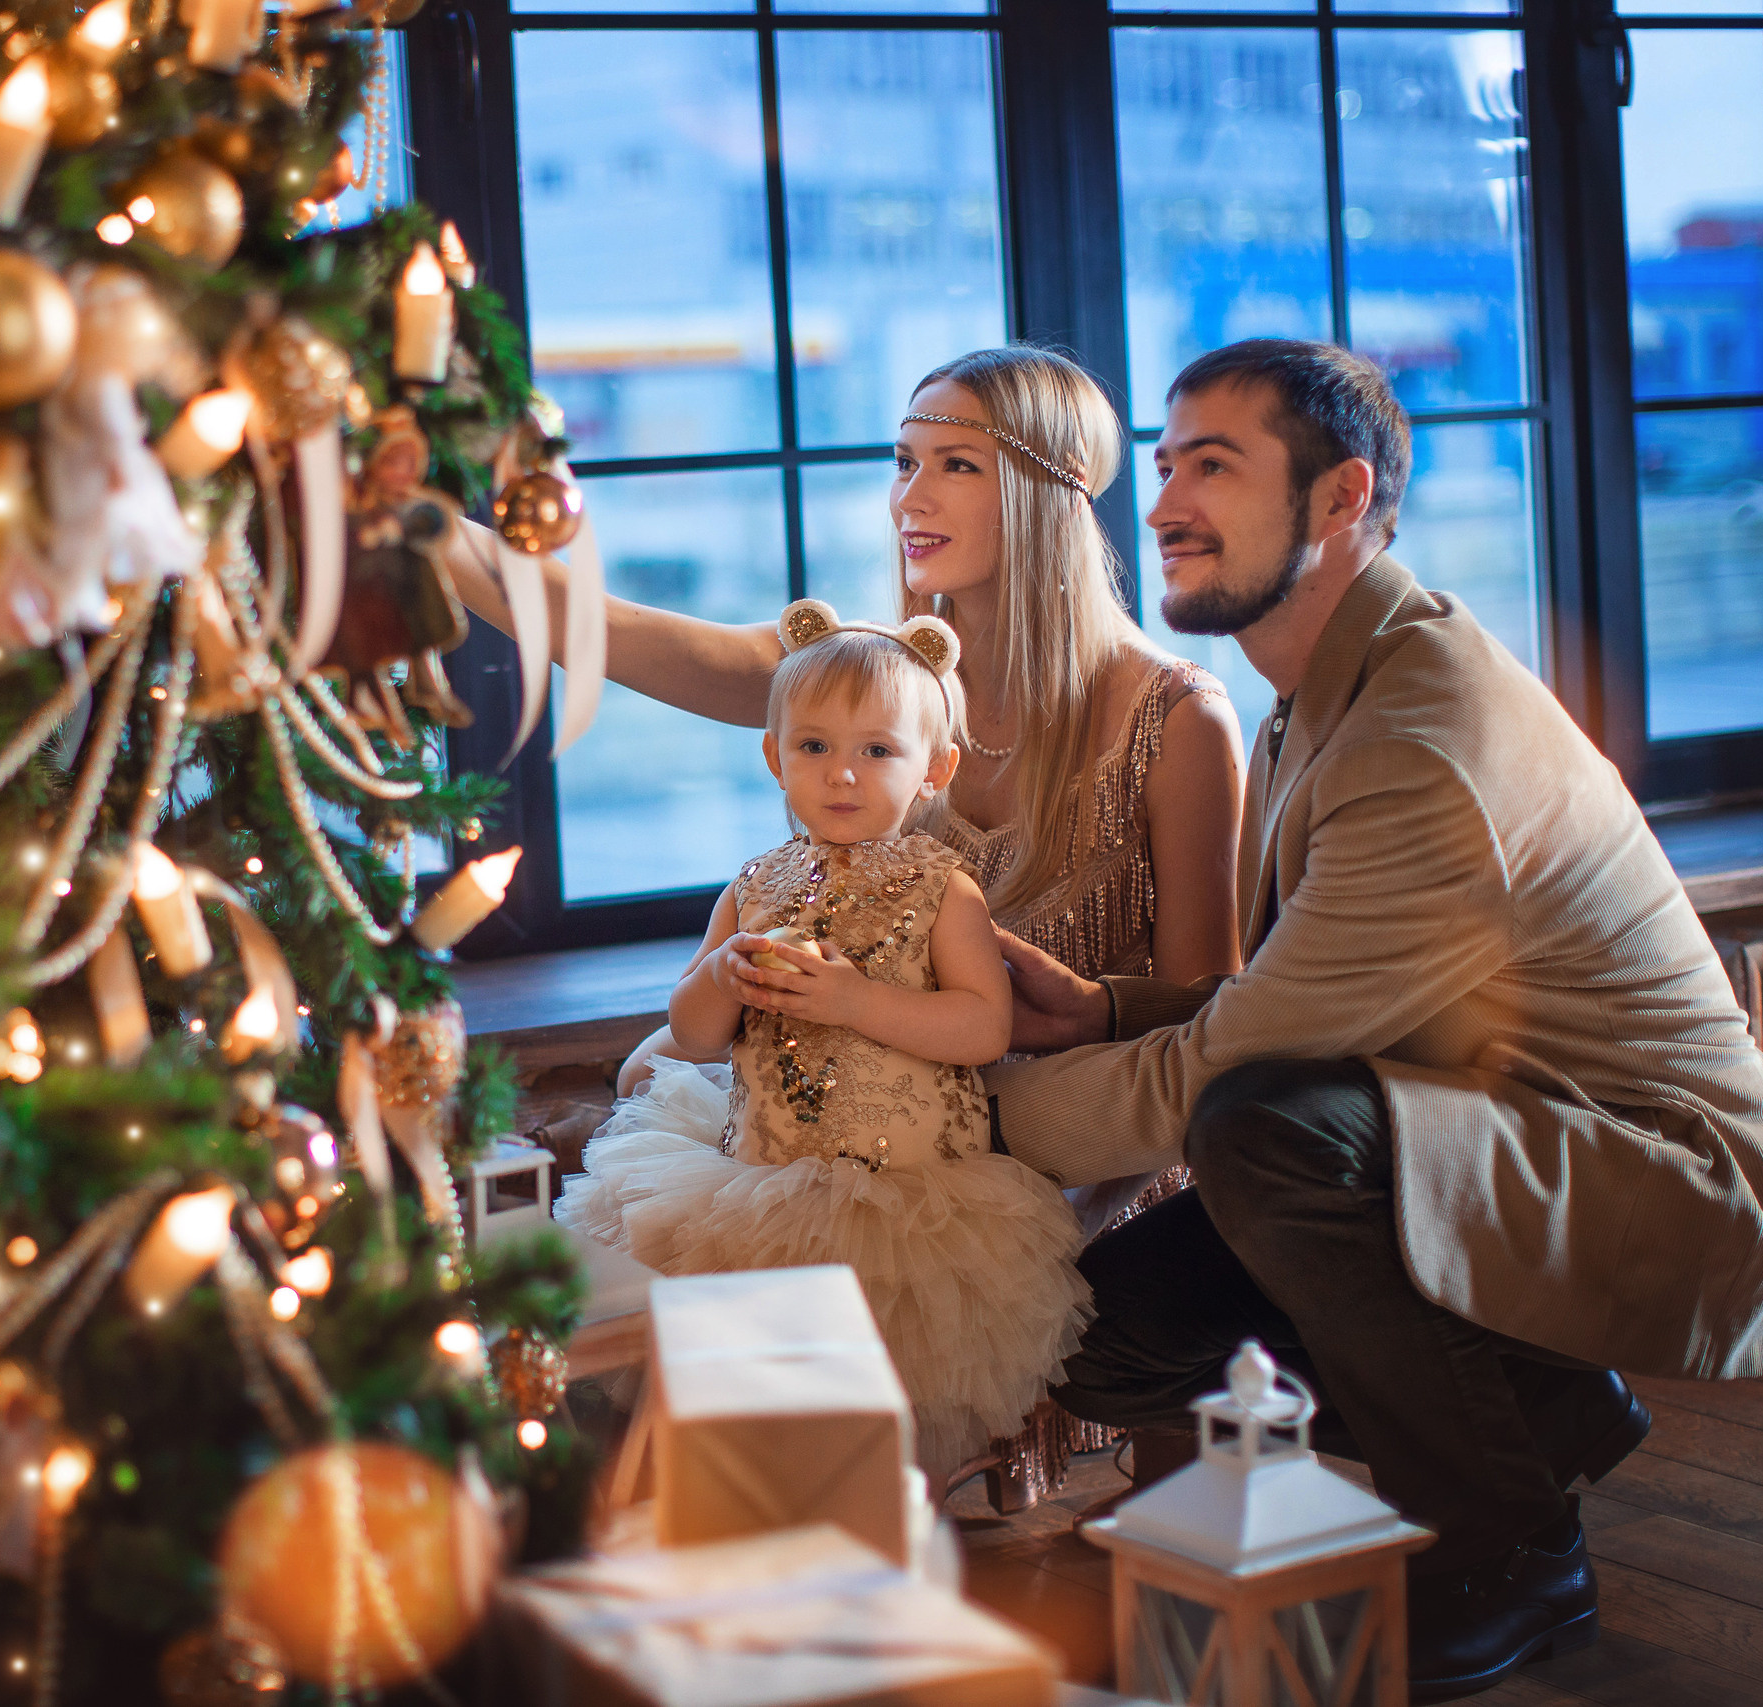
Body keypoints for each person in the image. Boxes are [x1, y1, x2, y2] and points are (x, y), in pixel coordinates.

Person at [981, 338, 1763, 1701]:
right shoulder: (1318, 686)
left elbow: (1247, 1061)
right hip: (1474, 1128)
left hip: (1661, 1173)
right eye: (1165, 464)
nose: (1163, 505)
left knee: (1263, 1129)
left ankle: (1511, 1550)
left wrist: (971, 1117)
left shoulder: (1423, 732)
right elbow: (1300, 992)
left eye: (1213, 466)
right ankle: (1541, 1405)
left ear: (1339, 497)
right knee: (1100, 1333)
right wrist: (1102, 1009)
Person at [441, 345, 1245, 1508]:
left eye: (955, 464)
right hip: (857, 1089)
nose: (910, 497)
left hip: (1061, 1119)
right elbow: (613, 631)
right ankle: (707, 1505)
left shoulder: (1175, 717)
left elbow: (1206, 1006)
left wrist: (1067, 1098)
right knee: (655, 1076)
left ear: (1047, 489)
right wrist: (427, 530)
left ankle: (824, 1510)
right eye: (903, 460)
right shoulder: (874, 674)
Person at [553, 606, 1091, 1481]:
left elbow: (983, 1027)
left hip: (906, 1204)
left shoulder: (944, 889)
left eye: (877, 750)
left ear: (934, 769)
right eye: (814, 746)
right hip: (757, 1187)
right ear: (775, 757)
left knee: (881, 1411)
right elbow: (692, 1035)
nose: (842, 772)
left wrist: (856, 999)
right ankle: (767, 1505)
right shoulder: (752, 886)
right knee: (759, 1402)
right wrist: (720, 976)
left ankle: (883, 1514)